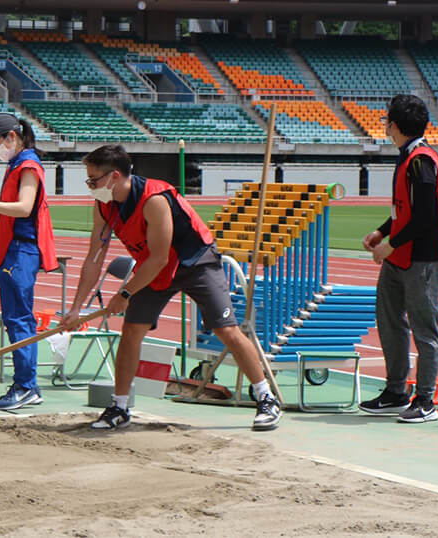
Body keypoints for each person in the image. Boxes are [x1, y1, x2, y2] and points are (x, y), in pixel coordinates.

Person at [64, 145, 281, 432]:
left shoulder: (154, 199)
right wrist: (76, 307)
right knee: (130, 332)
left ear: (114, 176)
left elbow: (160, 258)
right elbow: (95, 256)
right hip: (153, 267)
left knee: (226, 329)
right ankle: (120, 406)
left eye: (93, 179)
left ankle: (266, 397)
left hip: (195, 262)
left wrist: (125, 294)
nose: (90, 186)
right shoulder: (104, 205)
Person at [360, 94, 438, 424]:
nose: (385, 126)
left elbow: (426, 216)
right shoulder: (408, 157)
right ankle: (396, 391)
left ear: (395, 126)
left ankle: (426, 400)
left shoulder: (421, 161)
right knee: (389, 323)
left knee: (423, 328)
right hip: (400, 256)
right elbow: (404, 210)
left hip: (423, 258)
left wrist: (391, 244)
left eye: (387, 121)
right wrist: (382, 232)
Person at [0, 112, 57, 411]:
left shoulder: (28, 164)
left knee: (19, 320)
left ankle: (26, 385)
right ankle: (26, 384)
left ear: (12, 137)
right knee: (16, 319)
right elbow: (11, 211)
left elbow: (25, 208)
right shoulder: (18, 163)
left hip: (21, 250)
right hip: (14, 248)